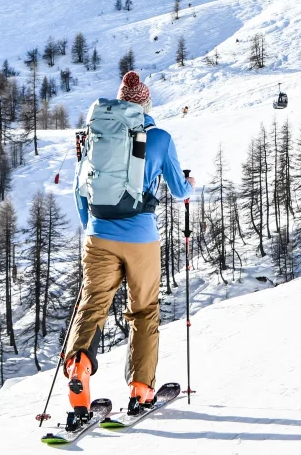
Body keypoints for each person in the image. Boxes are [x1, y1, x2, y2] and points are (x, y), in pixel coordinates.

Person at [62, 71, 192, 429]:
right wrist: (189, 183)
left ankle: (78, 377)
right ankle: (140, 391)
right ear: (146, 105)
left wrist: (93, 227)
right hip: (141, 238)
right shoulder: (159, 137)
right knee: (144, 310)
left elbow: (79, 189)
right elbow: (179, 190)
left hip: (98, 235)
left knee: (92, 306)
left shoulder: (97, 135)